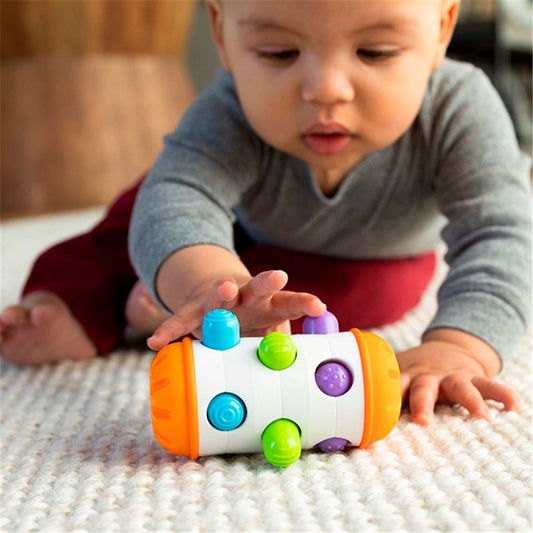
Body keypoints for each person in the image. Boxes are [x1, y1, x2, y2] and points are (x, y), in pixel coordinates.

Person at [1, 0, 530, 427]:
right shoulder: (229, 109)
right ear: (222, 33)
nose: (325, 89)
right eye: (280, 53)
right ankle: (87, 304)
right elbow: (179, 199)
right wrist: (212, 286)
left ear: (442, 29)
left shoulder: (459, 108)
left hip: (365, 258)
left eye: (375, 51)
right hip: (232, 235)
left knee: (354, 297)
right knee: (145, 207)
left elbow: (502, 236)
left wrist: (458, 346)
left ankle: (164, 302)